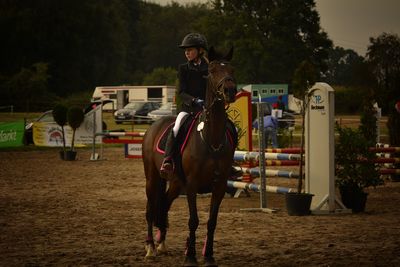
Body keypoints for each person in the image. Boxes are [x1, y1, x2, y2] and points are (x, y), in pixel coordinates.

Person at [160, 33, 209, 176]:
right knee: (176, 127)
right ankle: (168, 160)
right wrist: (194, 100)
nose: (186, 53)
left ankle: (229, 162)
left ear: (200, 51)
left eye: (190, 49)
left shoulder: (209, 68)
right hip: (189, 109)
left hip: (207, 108)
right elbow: (181, 91)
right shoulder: (183, 68)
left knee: (226, 125)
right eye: (185, 50)